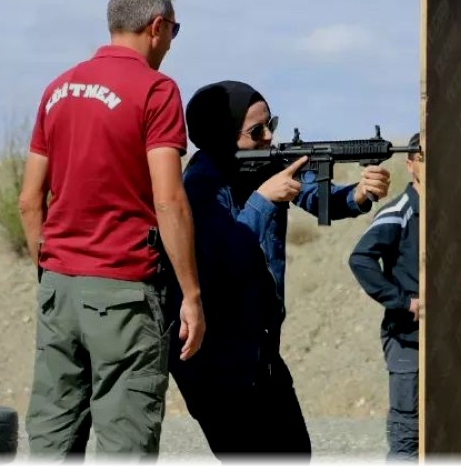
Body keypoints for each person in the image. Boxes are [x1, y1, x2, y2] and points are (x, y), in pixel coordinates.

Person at [18, 0, 206, 460]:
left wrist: (51, 268)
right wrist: (191, 293)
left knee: (52, 441)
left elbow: (28, 199)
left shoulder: (58, 88)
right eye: (174, 31)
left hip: (59, 289)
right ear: (157, 26)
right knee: (126, 446)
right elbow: (169, 201)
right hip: (123, 292)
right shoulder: (157, 90)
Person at [167, 80, 391, 461]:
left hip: (260, 350)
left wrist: (359, 193)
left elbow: (315, 194)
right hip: (215, 361)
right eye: (257, 131)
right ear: (224, 135)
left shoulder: (264, 164)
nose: (270, 136)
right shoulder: (199, 187)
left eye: (272, 123)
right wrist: (261, 200)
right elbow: (223, 257)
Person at [348, 132, 422, 461]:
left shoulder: (453, 214)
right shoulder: (401, 210)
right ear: (410, 165)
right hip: (406, 338)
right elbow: (361, 258)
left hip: (445, 343)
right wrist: (404, 302)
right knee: (407, 432)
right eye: (425, 157)